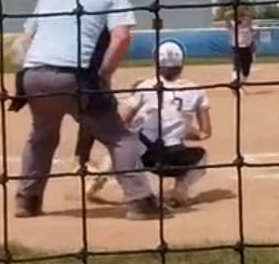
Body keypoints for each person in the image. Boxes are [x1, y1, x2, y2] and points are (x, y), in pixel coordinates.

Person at [8, 0, 164, 220]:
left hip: (33, 75)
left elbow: (28, 38)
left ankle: (27, 201)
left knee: (41, 137)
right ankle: (140, 202)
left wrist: (33, 66)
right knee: (118, 137)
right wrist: (103, 74)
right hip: (76, 76)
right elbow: (121, 38)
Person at [90, 39, 212, 206]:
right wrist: (183, 130)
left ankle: (100, 176)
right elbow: (205, 133)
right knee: (202, 157)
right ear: (182, 64)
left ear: (156, 63)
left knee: (123, 144)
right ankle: (179, 191)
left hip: (144, 156)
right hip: (175, 159)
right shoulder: (196, 90)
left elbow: (123, 121)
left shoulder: (145, 86)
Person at [228, 6, 258, 86]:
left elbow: (250, 17)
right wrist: (232, 12)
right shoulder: (233, 25)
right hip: (237, 48)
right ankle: (235, 80)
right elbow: (226, 18)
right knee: (236, 65)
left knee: (246, 70)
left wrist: (243, 11)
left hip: (247, 49)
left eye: (241, 16)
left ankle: (241, 81)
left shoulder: (247, 24)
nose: (240, 18)